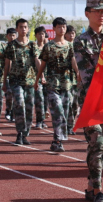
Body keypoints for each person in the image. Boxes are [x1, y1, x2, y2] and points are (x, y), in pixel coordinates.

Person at [74, 0, 103, 202]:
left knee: (101, 148)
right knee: (98, 144)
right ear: (87, 13)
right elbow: (87, 75)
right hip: (90, 101)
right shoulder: (81, 41)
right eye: (96, 11)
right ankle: (98, 192)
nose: (101, 14)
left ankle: (90, 188)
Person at [36, 17, 79, 152]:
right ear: (54, 29)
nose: (62, 29)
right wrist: (38, 79)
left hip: (67, 84)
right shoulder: (49, 46)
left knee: (65, 114)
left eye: (64, 27)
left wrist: (78, 73)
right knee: (58, 112)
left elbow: (73, 61)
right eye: (59, 27)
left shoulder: (69, 46)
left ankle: (57, 140)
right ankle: (58, 138)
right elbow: (43, 64)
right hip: (52, 84)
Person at [3, 19, 40, 146]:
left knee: (29, 108)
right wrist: (4, 82)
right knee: (19, 104)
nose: (23, 29)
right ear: (17, 29)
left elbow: (37, 61)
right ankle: (19, 132)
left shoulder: (33, 45)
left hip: (30, 81)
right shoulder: (11, 45)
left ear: (28, 29)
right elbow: (7, 65)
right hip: (15, 80)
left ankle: (25, 134)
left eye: (25, 27)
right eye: (21, 27)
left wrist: (41, 76)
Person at [65, 24, 79, 135]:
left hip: (77, 80)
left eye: (73, 33)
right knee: (68, 103)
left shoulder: (78, 47)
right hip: (66, 79)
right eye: (69, 33)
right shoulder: (64, 46)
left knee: (75, 104)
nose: (71, 35)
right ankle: (68, 125)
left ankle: (71, 124)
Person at [33, 26, 47, 129]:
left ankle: (43, 120)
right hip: (36, 77)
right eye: (39, 34)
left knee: (46, 100)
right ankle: (39, 120)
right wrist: (41, 76)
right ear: (36, 35)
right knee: (39, 99)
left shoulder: (48, 47)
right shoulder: (34, 47)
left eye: (43, 34)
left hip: (49, 77)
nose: (41, 36)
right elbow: (37, 62)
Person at [4, 27, 17, 122]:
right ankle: (8, 110)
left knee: (15, 96)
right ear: (6, 36)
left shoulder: (18, 47)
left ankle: (13, 113)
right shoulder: (4, 47)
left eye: (13, 35)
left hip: (16, 75)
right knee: (9, 95)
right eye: (10, 35)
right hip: (7, 75)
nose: (12, 37)